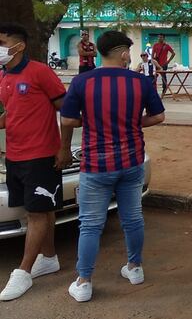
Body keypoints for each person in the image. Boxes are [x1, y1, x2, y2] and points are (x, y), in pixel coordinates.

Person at [60, 30, 165, 302]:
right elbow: (159, 116)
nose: (129, 57)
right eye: (128, 52)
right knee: (132, 218)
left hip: (96, 166)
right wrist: (132, 123)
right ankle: (135, 268)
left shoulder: (82, 82)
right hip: (131, 163)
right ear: (122, 54)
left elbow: (68, 121)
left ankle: (84, 282)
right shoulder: (140, 82)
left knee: (91, 225)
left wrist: (91, 121)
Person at [0, 22, 71, 301]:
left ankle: (23, 272)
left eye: (2, 42)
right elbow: (14, 112)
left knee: (37, 214)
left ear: (18, 46)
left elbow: (65, 108)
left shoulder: (40, 71)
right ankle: (50, 257)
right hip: (14, 155)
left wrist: (64, 148)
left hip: (41, 154)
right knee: (41, 210)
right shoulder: (4, 76)